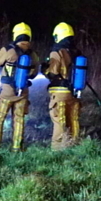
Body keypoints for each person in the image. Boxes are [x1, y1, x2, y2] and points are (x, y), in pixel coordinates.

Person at [0, 22, 39, 151]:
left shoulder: (9, 50)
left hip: (6, 92)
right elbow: (34, 74)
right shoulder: (33, 54)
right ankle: (17, 147)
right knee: (19, 120)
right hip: (22, 92)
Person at [43, 22, 81, 150]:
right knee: (73, 120)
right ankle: (74, 147)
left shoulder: (57, 52)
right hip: (74, 92)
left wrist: (45, 69)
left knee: (59, 120)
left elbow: (53, 72)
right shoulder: (76, 51)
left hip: (60, 93)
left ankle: (57, 150)